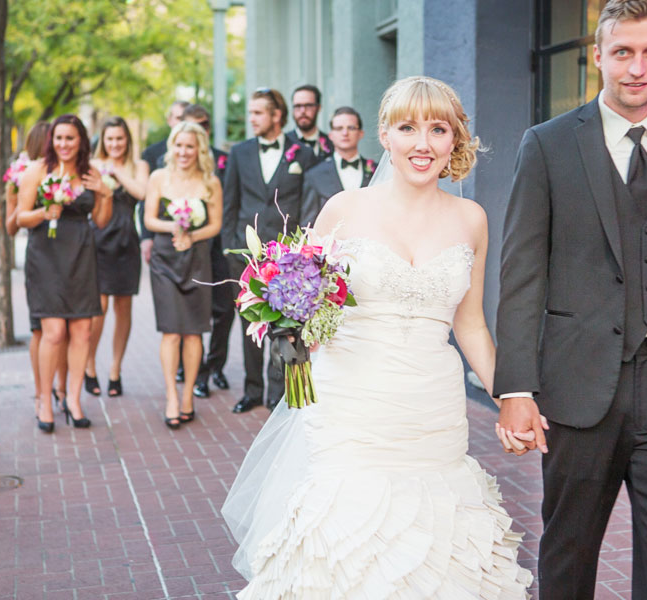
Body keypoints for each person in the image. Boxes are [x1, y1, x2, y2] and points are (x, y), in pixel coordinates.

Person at [222, 76, 532, 597]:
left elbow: (471, 323)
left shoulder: (471, 219)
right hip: (351, 407)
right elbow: (300, 309)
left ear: (454, 139)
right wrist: (296, 356)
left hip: (433, 410)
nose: (423, 143)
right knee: (347, 548)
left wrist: (511, 397)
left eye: (438, 129)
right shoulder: (346, 208)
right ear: (385, 136)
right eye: (408, 128)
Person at [493, 2, 647, 598]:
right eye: (622, 52)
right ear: (597, 55)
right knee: (570, 553)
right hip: (579, 383)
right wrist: (515, 388)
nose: (636, 68)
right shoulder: (547, 145)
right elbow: (522, 271)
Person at [222, 88, 315, 413]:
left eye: (258, 113)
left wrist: (302, 253)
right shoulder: (239, 152)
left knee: (285, 325)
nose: (252, 119)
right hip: (246, 254)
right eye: (251, 113)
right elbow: (229, 202)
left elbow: (307, 205)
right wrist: (229, 247)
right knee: (250, 323)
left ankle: (277, 392)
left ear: (277, 115)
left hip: (287, 257)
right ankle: (252, 390)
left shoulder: (302, 155)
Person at [17, 114, 112, 433]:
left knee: (83, 331)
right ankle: (44, 400)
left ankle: (73, 400)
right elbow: (21, 218)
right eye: (58, 138)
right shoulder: (37, 171)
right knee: (54, 332)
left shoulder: (90, 173)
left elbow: (100, 220)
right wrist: (45, 212)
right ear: (51, 141)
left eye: (70, 138)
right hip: (45, 257)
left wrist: (104, 193)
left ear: (81, 141)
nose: (63, 144)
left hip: (82, 256)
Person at [143, 121, 222, 429]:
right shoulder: (158, 177)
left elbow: (215, 225)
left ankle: (188, 394)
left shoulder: (210, 181)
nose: (183, 152)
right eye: (179, 145)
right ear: (171, 147)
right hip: (165, 258)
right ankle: (171, 397)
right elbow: (149, 219)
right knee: (171, 331)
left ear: (199, 149)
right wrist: (175, 227)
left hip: (198, 258)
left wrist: (193, 235)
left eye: (190, 146)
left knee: (194, 331)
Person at [5, 121, 70, 414]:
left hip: (66, 255)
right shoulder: (23, 176)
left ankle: (62, 389)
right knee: (41, 332)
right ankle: (39, 391)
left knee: (64, 330)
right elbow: (10, 226)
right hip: (40, 257)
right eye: (52, 140)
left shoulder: (63, 172)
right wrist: (26, 205)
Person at [84, 117, 149, 398]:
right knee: (97, 310)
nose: (115, 144)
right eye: (109, 139)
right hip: (98, 242)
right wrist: (104, 170)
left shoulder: (139, 167)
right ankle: (89, 366)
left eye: (120, 139)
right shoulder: (92, 166)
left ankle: (115, 369)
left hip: (126, 243)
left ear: (127, 140)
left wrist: (117, 172)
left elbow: (142, 192)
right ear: (103, 140)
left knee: (124, 309)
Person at [180, 104, 235, 399]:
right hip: (188, 249)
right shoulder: (176, 162)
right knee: (191, 311)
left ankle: (215, 367)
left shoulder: (225, 160)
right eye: (191, 125)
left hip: (222, 246)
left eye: (203, 125)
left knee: (224, 311)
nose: (198, 130)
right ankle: (192, 369)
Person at [299, 106, 377, 227]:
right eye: (339, 128)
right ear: (330, 135)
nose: (345, 133)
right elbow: (308, 225)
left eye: (351, 128)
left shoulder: (376, 171)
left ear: (360, 133)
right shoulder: (314, 175)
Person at [140, 100, 190, 266]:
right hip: (160, 235)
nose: (181, 123)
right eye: (178, 118)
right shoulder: (152, 153)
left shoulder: (198, 154)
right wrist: (147, 238)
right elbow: (145, 200)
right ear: (169, 120)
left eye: (186, 118)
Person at [284, 84, 332, 165]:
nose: (303, 111)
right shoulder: (282, 144)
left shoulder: (332, 144)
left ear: (319, 107)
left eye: (308, 105)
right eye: (298, 106)